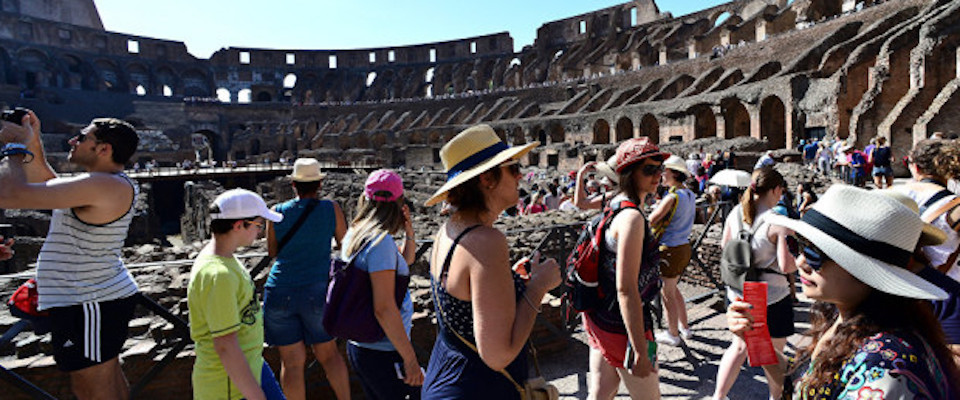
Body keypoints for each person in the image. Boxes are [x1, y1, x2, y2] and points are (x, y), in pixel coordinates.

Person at [727, 185, 960, 398]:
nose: (800, 262)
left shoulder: (883, 368)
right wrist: (755, 337)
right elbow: (801, 384)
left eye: (815, 252)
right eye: (797, 245)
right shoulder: (843, 317)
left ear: (866, 270)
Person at [0, 111, 142, 399]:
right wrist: (32, 141)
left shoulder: (105, 185)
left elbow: (10, 195)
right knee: (106, 385)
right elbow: (45, 180)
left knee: (93, 391)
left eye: (82, 137)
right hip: (91, 300)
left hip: (88, 301)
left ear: (103, 149)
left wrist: (14, 147)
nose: (72, 140)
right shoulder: (101, 182)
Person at [422, 125, 561, 399]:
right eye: (512, 168)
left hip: (447, 377)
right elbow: (498, 356)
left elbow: (465, 298)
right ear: (487, 178)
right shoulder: (486, 241)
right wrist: (538, 286)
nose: (521, 175)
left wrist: (509, 282)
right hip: (476, 388)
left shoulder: (449, 230)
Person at [583, 137, 668, 399]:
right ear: (630, 174)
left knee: (601, 392)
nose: (658, 176)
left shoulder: (615, 203)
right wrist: (640, 350)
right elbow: (626, 289)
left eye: (659, 169)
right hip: (622, 326)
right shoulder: (631, 218)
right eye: (649, 170)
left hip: (599, 315)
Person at [263, 158, 350, 400]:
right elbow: (345, 243)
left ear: (293, 184)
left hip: (279, 288)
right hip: (317, 289)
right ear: (320, 184)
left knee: (291, 364)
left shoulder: (276, 213)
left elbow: (272, 252)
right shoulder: (331, 208)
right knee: (329, 355)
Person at [187, 189, 285, 400]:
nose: (260, 232)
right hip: (229, 388)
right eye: (259, 225)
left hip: (252, 366)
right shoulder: (217, 275)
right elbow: (225, 346)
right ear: (239, 224)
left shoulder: (225, 258)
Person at [712, 167, 797, 400]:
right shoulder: (777, 221)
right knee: (773, 353)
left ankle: (718, 396)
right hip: (772, 295)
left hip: (739, 291)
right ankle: (775, 397)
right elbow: (786, 265)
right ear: (776, 190)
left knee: (738, 347)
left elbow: (724, 246)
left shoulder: (736, 213)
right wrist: (801, 261)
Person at [341, 169, 423, 399]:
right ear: (398, 202)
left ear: (365, 199)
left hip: (362, 345)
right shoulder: (380, 243)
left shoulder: (355, 234)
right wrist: (410, 359)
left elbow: (403, 263)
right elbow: (384, 308)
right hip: (384, 351)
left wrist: (409, 232)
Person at [650, 156, 696, 346]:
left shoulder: (671, 197)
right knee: (674, 289)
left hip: (670, 248)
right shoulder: (690, 194)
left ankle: (673, 333)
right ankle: (684, 327)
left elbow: (652, 219)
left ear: (674, 174)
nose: (662, 174)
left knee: (666, 293)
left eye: (665, 171)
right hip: (683, 246)